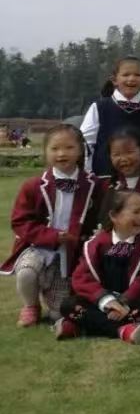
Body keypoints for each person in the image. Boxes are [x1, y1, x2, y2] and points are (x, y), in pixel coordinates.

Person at [2, 125, 103, 326]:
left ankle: (55, 305)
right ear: (46, 152)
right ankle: (31, 305)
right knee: (26, 272)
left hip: (70, 254)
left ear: (80, 150)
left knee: (59, 315)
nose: (62, 153)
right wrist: (52, 236)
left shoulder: (94, 185)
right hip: (38, 247)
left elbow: (102, 219)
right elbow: (20, 221)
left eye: (69, 147)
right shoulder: (33, 186)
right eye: (55, 148)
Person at [55, 189, 140, 343]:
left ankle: (81, 326)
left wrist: (123, 302)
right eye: (136, 212)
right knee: (68, 305)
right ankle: (123, 330)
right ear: (114, 216)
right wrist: (107, 302)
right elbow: (81, 277)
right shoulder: (95, 244)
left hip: (135, 299)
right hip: (103, 300)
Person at [80, 55, 140, 178]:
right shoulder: (99, 107)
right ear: (114, 80)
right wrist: (87, 172)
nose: (132, 78)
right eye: (126, 75)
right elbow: (86, 141)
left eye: (137, 75)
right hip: (103, 177)